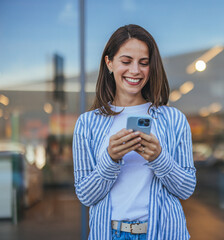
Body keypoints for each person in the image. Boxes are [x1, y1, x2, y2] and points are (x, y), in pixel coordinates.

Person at [72, 24, 196, 240]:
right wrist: (110, 158)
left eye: (144, 63)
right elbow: (85, 195)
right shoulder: (87, 124)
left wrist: (159, 158)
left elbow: (186, 190)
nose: (135, 71)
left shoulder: (174, 119)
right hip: (109, 234)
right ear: (109, 63)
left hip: (164, 233)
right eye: (126, 61)